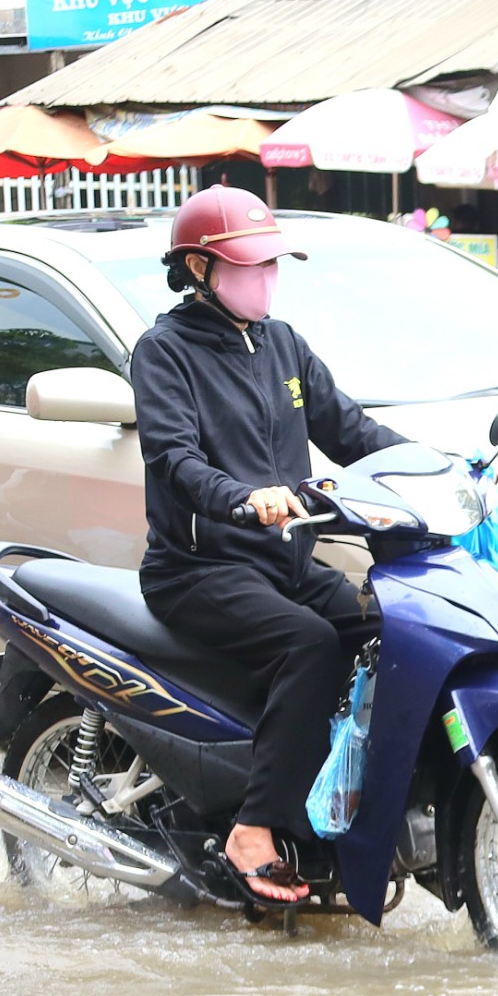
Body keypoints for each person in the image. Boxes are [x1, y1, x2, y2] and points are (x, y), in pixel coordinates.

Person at [131, 186, 408, 904]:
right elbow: (173, 458)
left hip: (281, 561)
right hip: (198, 568)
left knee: (388, 630)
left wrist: (432, 469)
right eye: (252, 267)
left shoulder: (282, 344)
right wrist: (240, 497)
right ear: (199, 268)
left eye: (273, 266)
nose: (267, 279)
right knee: (309, 644)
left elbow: (351, 430)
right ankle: (252, 827)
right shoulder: (164, 353)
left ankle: (345, 809)